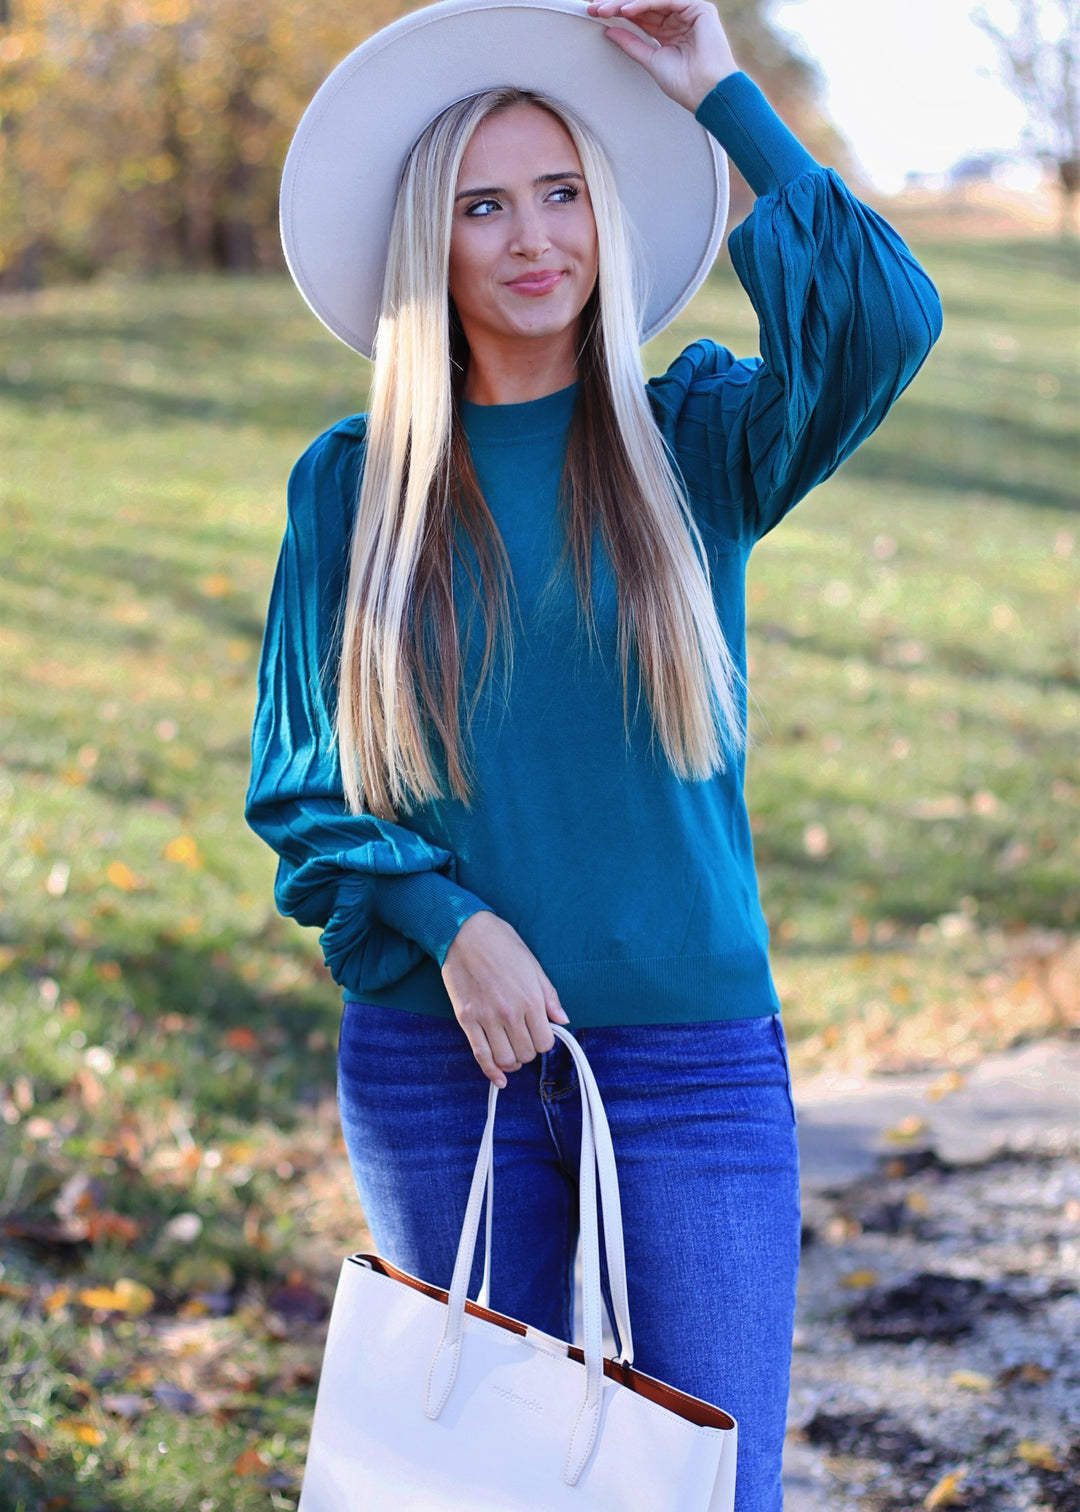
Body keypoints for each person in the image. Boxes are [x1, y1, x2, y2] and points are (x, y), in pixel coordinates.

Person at [247, 1, 943, 1505]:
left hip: (691, 1063)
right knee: (477, 1490)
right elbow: (304, 782)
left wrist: (714, 86)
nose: (531, 236)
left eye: (562, 192)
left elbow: (887, 319)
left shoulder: (691, 441)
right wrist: (451, 923)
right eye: (484, 205)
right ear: (431, 241)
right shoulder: (354, 488)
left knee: (710, 1485)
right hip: (449, 1069)